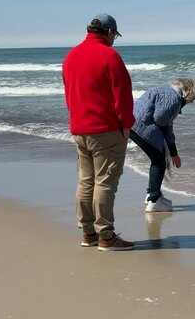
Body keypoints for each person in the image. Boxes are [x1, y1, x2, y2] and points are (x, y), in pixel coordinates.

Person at [62, 13, 135, 251]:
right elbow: (122, 97)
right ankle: (107, 236)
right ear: (110, 32)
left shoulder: (71, 56)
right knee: (105, 183)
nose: (115, 40)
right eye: (115, 35)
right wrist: (126, 124)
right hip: (106, 131)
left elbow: (69, 92)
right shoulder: (110, 56)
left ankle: (88, 233)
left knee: (86, 182)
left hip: (80, 129)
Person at [129, 78, 195, 212]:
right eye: (194, 97)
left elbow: (165, 124)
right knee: (159, 162)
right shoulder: (174, 99)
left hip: (132, 125)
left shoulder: (164, 90)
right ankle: (154, 201)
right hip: (142, 128)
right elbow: (160, 120)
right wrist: (173, 153)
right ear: (188, 92)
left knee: (157, 159)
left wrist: (172, 152)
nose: (192, 101)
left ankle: (152, 194)